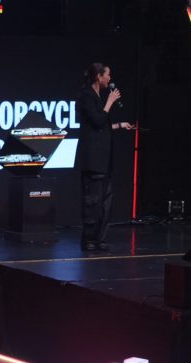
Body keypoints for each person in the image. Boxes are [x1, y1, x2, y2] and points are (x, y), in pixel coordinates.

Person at [75, 62, 135, 252]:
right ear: (98, 77)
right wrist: (110, 102)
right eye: (107, 75)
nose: (110, 78)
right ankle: (89, 239)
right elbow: (97, 120)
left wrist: (119, 125)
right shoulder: (86, 96)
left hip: (105, 160)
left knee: (105, 203)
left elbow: (103, 126)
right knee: (92, 201)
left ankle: (100, 238)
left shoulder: (98, 97)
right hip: (93, 160)